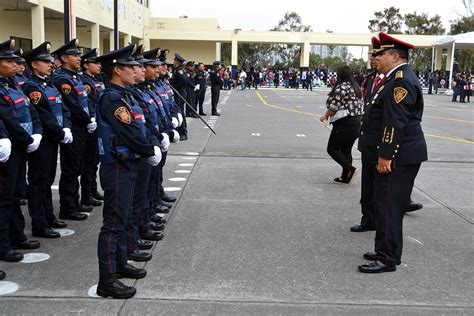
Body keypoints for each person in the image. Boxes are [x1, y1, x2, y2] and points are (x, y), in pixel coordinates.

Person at [94, 44, 162, 299]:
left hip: (128, 163)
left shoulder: (125, 94)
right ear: (117, 69)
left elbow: (138, 126)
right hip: (117, 166)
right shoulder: (112, 98)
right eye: (132, 67)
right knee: (113, 224)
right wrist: (148, 150)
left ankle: (120, 263)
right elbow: (129, 131)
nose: (138, 70)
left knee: (122, 219)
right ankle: (107, 280)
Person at [358, 33, 428, 273]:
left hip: (400, 155)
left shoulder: (401, 81)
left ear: (394, 56)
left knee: (389, 206)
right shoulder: (392, 79)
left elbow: (394, 122)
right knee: (384, 204)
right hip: (399, 153)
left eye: (382, 54)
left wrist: (386, 155)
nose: (378, 57)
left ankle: (387, 258)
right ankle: (384, 250)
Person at [22, 41, 71, 238]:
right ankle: (39, 223)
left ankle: (49, 216)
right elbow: (43, 114)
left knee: (48, 179)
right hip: (43, 140)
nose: (51, 64)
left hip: (53, 139)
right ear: (34, 64)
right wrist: (60, 132)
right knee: (39, 181)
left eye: (51, 61)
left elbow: (63, 108)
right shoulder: (31, 87)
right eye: (45, 61)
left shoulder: (49, 84)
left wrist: (66, 126)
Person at [0, 40, 42, 262]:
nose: (14, 65)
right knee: (5, 198)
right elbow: (7, 118)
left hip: (19, 147)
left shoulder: (13, 85)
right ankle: (3, 245)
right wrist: (25, 138)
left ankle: (16, 236)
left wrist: (35, 134)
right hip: (7, 148)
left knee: (16, 195)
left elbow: (30, 110)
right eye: (7, 61)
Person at [52, 39, 95, 221]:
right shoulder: (62, 79)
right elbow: (72, 106)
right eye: (75, 55)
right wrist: (87, 119)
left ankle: (75, 202)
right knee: (71, 169)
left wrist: (91, 116)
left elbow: (86, 101)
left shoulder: (75, 77)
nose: (79, 58)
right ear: (64, 58)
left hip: (83, 127)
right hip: (75, 127)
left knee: (78, 167)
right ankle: (68, 207)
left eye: (79, 55)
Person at [320, 66, 363, 184]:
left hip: (345, 123)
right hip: (357, 122)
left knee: (332, 149)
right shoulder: (356, 87)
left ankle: (350, 169)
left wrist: (325, 116)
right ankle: (345, 176)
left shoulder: (342, 87)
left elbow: (334, 107)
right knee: (346, 149)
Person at [80, 48, 105, 208]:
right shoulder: (85, 81)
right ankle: (86, 194)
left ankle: (92, 190)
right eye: (95, 63)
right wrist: (91, 119)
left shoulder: (97, 79)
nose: (99, 65)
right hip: (89, 125)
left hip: (98, 124)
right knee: (88, 161)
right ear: (86, 65)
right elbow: (87, 103)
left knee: (95, 159)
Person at [170, 53, 188, 140]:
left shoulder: (179, 70)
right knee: (178, 113)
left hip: (180, 93)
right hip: (178, 93)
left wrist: (176, 87)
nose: (173, 62)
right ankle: (179, 131)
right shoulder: (177, 69)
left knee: (181, 113)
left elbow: (184, 80)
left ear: (177, 62)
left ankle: (183, 132)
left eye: (174, 60)